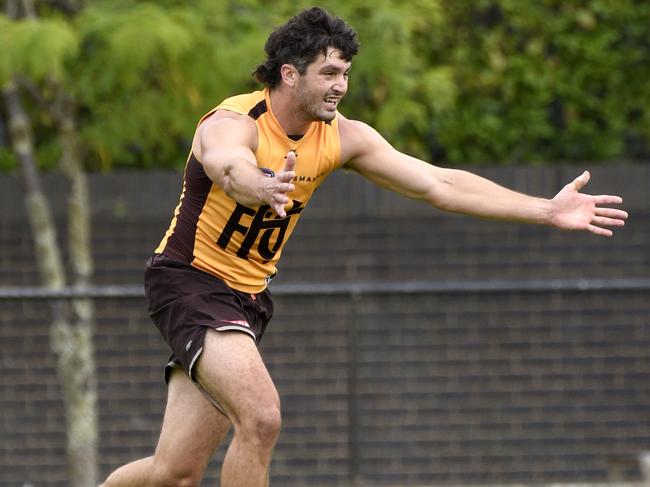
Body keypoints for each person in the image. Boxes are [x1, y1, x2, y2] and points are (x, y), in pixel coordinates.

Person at [100, 6, 628, 487]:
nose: (341, 86)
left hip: (245, 299)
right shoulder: (233, 122)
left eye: (346, 74)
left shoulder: (342, 138)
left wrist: (546, 209)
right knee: (261, 418)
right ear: (290, 73)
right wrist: (258, 184)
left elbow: (439, 184)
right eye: (329, 73)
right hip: (189, 282)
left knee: (175, 473)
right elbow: (226, 164)